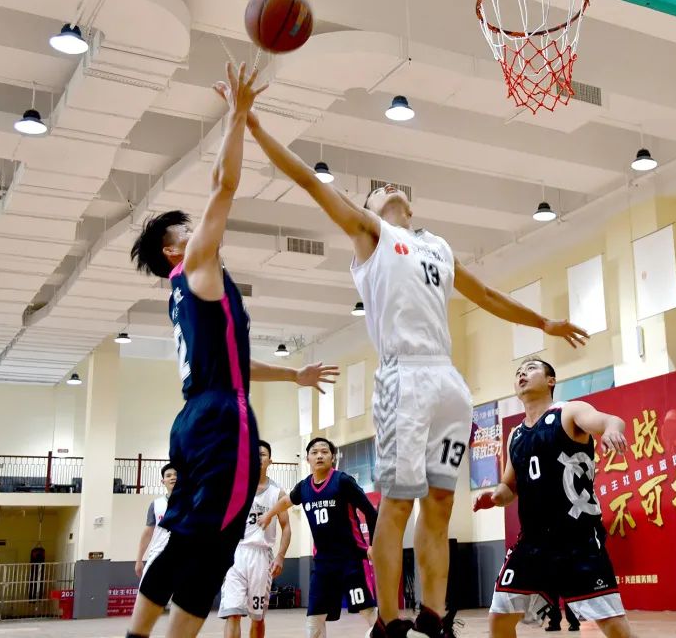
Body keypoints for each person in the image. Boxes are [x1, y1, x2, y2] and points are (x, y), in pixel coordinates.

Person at [246, 112, 589, 638]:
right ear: (368, 209)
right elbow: (311, 183)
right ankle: (387, 621)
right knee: (399, 501)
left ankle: (433, 615)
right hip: (403, 377)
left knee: (441, 503)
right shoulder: (372, 235)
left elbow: (486, 295)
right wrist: (255, 127)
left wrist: (542, 322)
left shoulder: (438, 246)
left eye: (391, 186)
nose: (386, 186)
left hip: (447, 381)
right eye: (376, 189)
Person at [126, 62, 339, 638]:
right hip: (221, 417)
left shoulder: (188, 296)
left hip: (197, 414)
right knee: (213, 541)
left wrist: (292, 376)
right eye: (186, 230)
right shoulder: (196, 264)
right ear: (174, 251)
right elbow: (223, 184)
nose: (200, 231)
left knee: (187, 533)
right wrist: (237, 115)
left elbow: (235, 363)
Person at [474, 358, 635, 638]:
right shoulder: (515, 436)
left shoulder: (569, 412)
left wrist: (611, 430)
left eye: (531, 368)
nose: (522, 373)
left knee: (614, 627)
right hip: (532, 543)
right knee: (499, 618)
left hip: (577, 539)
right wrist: (496, 497)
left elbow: (611, 420)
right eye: (518, 371)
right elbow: (510, 486)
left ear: (551, 381)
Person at [258, 437, 378, 638]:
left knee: (367, 610)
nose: (319, 456)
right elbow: (286, 502)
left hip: (351, 560)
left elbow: (371, 512)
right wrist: (269, 515)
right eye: (314, 452)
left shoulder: (343, 481)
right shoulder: (304, 487)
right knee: (314, 617)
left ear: (333, 457)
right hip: (323, 563)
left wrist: (373, 545)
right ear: (307, 459)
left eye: (324, 451)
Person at [219, 440, 291, 638]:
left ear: (270, 461)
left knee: (257, 617)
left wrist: (280, 556)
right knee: (232, 612)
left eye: (262, 454)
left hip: (261, 556)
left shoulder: (278, 492)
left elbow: (286, 527)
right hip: (236, 554)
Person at [135, 463, 177, 581]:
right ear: (163, 481)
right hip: (158, 555)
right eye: (168, 475)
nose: (173, 477)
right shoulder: (156, 504)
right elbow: (148, 533)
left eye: (176, 475)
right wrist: (139, 560)